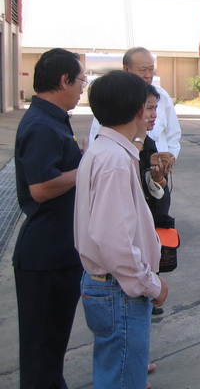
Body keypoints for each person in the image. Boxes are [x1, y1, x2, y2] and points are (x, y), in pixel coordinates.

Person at [74, 70, 169, 389]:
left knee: (114, 373)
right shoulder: (114, 160)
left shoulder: (104, 150)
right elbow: (115, 242)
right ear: (138, 110)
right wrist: (150, 284)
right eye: (148, 106)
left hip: (109, 287)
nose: (152, 113)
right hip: (120, 290)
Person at [13, 48, 87, 389]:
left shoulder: (53, 119)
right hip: (45, 257)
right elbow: (41, 188)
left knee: (51, 349)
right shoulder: (41, 124)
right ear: (64, 80)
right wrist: (87, 168)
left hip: (59, 250)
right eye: (81, 81)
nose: (83, 88)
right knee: (41, 354)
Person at [89, 46, 181, 159]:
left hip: (157, 167)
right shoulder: (113, 98)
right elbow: (97, 135)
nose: (148, 75)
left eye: (151, 69)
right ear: (127, 69)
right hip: (122, 164)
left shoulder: (162, 97)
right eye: (143, 70)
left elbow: (173, 135)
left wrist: (168, 159)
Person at [134, 84, 172, 317]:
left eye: (155, 108)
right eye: (149, 108)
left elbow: (155, 198)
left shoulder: (148, 143)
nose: (154, 114)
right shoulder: (118, 151)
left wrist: (158, 180)